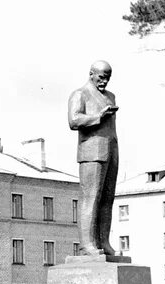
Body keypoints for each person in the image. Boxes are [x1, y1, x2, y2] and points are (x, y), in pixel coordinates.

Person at [68, 60, 119, 255]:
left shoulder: (110, 96)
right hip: (91, 151)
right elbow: (73, 120)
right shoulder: (80, 94)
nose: (104, 81)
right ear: (91, 74)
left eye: (108, 78)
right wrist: (98, 116)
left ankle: (103, 242)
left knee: (107, 199)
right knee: (91, 197)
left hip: (111, 148)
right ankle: (87, 244)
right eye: (101, 77)